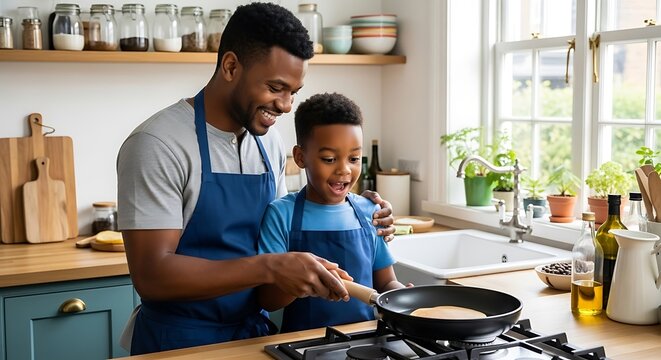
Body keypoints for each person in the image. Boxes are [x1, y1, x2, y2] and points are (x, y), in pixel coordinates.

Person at [116, 2, 395, 355]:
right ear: (231, 66)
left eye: (294, 91)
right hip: (179, 342)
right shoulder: (158, 143)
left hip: (255, 337)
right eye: (276, 87)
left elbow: (287, 222)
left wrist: (361, 209)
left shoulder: (268, 141)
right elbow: (152, 276)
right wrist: (270, 266)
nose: (286, 105)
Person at [257, 93, 406, 332]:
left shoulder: (369, 211)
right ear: (300, 157)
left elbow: (386, 281)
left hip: (366, 339)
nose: (344, 170)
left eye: (354, 158)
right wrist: (300, 282)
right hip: (302, 344)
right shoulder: (281, 215)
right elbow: (268, 300)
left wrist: (404, 298)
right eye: (329, 159)